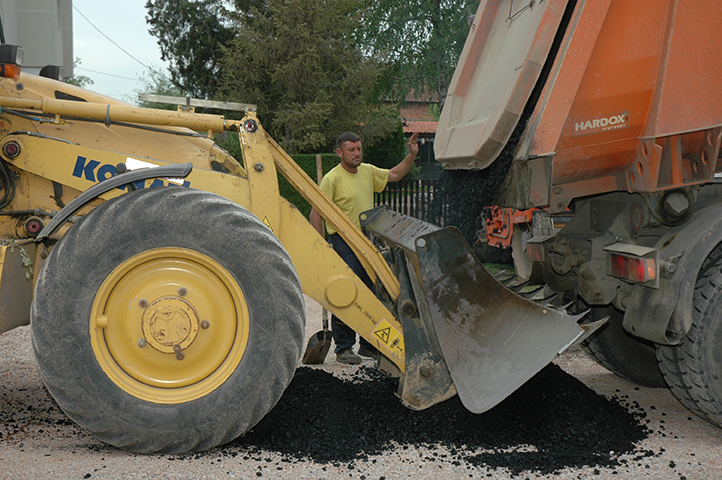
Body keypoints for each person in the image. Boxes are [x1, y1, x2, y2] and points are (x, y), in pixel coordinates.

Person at [310, 131, 419, 364]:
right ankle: (343, 349)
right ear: (340, 152)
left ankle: (369, 346)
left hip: (367, 242)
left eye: (358, 149)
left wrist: (411, 155)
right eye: (351, 150)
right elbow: (316, 212)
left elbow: (396, 174)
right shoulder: (332, 179)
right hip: (342, 243)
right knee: (347, 292)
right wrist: (321, 246)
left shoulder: (368, 171)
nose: (357, 153)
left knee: (372, 292)